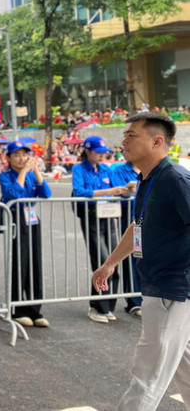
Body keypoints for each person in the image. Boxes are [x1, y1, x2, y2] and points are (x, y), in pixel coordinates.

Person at [93, 113, 190, 411]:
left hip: (171, 289)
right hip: (160, 285)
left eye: (131, 135)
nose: (123, 141)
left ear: (157, 141)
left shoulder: (175, 179)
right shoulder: (147, 178)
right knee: (184, 366)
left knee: (148, 374)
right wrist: (110, 263)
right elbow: (138, 226)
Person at [72, 136, 135, 324]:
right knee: (101, 260)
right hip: (92, 217)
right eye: (97, 152)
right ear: (88, 151)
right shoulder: (78, 169)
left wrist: (127, 190)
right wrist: (110, 192)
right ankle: (97, 306)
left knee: (114, 260)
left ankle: (108, 306)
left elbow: (118, 190)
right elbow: (80, 192)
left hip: (109, 216)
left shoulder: (107, 169)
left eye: (103, 153)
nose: (101, 156)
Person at [0, 142, 52, 327]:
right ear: (9, 158)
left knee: (34, 263)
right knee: (18, 264)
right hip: (15, 219)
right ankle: (17, 309)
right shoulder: (5, 176)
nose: (22, 159)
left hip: (31, 219)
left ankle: (35, 310)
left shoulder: (30, 175)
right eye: (17, 155)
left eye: (24, 155)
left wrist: (36, 171)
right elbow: (13, 194)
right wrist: (22, 173)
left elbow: (46, 194)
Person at [109, 159, 142, 316]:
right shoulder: (119, 171)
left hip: (152, 219)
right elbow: (117, 194)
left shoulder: (151, 168)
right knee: (134, 257)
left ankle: (150, 298)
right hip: (132, 219)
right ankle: (134, 301)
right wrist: (129, 191)